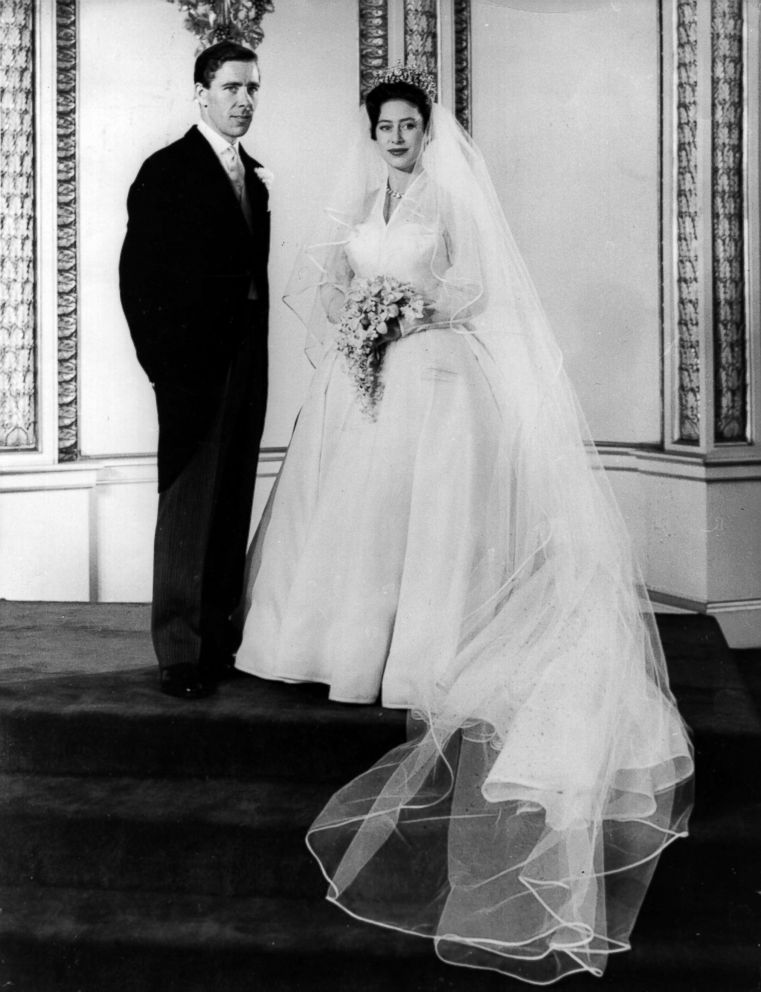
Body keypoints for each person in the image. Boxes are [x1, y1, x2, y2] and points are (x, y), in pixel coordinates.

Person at [235, 64, 694, 983]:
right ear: (372, 134)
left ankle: (414, 653)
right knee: (349, 522)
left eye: (408, 124)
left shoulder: (448, 201)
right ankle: (338, 652)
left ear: (424, 130)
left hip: (434, 376)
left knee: (423, 519)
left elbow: (477, 290)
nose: (397, 136)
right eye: (387, 125)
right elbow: (333, 284)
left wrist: (407, 311)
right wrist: (360, 316)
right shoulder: (363, 199)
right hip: (362, 379)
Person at [120, 41, 270, 699]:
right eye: (232, 87)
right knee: (188, 504)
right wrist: (166, 369)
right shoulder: (167, 170)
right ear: (201, 93)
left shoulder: (255, 177)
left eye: (253, 89)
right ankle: (179, 652)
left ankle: (215, 643)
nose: (244, 101)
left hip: (245, 363)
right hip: (191, 371)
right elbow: (137, 281)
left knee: (231, 493)